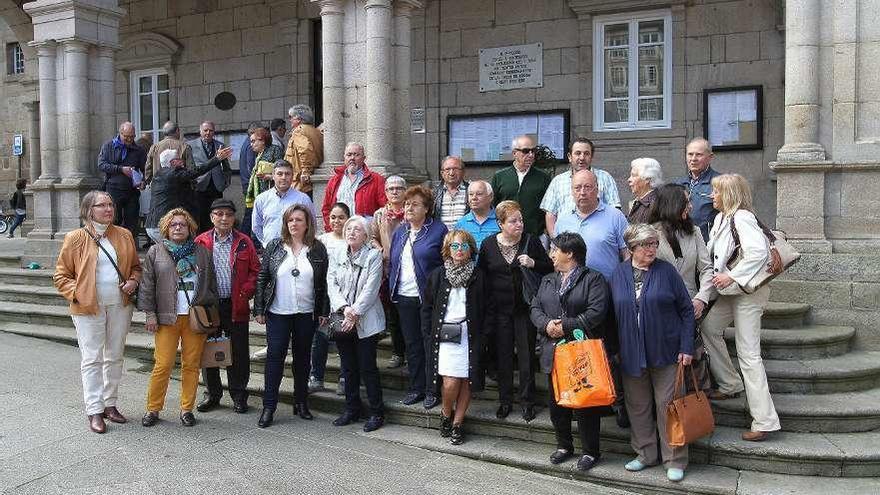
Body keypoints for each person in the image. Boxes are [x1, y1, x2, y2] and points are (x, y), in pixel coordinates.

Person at [609, 224, 695, 482]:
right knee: (638, 407)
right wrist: (614, 350)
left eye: (654, 244)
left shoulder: (666, 271)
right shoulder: (618, 273)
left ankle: (675, 459)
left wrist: (686, 347)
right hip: (631, 354)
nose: (652, 249)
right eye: (646, 244)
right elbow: (611, 315)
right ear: (632, 248)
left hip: (667, 352)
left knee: (669, 407)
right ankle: (646, 454)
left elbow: (687, 311)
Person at [700, 173, 781, 442]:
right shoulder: (723, 218)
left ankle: (765, 421)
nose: (712, 196)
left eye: (716, 192)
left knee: (749, 354)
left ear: (729, 194)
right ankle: (731, 382)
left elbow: (758, 252)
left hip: (748, 291)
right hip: (731, 290)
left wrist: (732, 277)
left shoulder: (742, 217)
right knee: (710, 329)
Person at [53, 191, 141, 433]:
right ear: (89, 210)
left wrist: (133, 281)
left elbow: (135, 267)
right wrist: (78, 293)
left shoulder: (124, 235)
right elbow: (61, 276)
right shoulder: (75, 238)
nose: (108, 209)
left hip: (119, 304)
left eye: (111, 204)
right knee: (92, 358)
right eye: (102, 205)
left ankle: (110, 405)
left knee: (115, 355)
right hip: (87, 306)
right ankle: (94, 409)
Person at [530, 232, 610, 471]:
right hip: (553, 351)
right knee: (557, 404)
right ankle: (564, 445)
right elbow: (535, 306)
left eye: (555, 250)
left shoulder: (593, 279)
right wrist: (546, 325)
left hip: (580, 351)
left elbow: (596, 313)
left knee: (585, 403)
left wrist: (563, 326)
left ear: (570, 253)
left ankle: (590, 451)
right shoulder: (548, 279)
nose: (551, 254)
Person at [139, 208, 218, 428]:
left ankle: (186, 409)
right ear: (166, 227)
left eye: (182, 224)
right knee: (162, 365)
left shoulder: (202, 252)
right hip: (166, 318)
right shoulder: (156, 252)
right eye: (173, 224)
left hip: (195, 318)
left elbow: (211, 285)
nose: (178, 228)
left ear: (190, 228)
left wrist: (210, 312)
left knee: (191, 365)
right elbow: (147, 286)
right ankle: (153, 408)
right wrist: (150, 314)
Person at [253, 204, 330, 428]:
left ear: (307, 224)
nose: (294, 224)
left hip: (306, 313)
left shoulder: (317, 249)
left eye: (299, 220)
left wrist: (323, 310)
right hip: (278, 312)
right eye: (290, 220)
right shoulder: (275, 246)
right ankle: (269, 406)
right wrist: (259, 308)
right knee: (275, 358)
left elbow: (323, 283)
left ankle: (301, 402)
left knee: (303, 359)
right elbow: (263, 278)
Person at [478, 200, 553, 421]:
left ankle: (527, 402)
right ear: (500, 223)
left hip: (525, 309)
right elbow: (482, 275)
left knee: (527, 356)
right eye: (513, 221)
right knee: (503, 357)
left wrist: (533, 263)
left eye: (520, 220)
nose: (519, 224)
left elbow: (549, 267)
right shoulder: (489, 244)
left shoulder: (531, 241)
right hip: (499, 311)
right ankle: (505, 401)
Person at [421, 229, 488, 445]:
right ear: (448, 250)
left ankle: (458, 424)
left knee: (467, 381)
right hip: (445, 336)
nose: (459, 250)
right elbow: (427, 308)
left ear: (471, 250)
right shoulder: (438, 275)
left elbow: (488, 309)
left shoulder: (479, 276)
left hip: (470, 336)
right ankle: (445, 413)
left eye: (464, 246)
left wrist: (485, 335)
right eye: (455, 246)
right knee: (450, 383)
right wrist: (429, 333)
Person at [194, 199, 260, 414]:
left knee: (239, 353)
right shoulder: (201, 241)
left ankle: (239, 395)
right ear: (212, 217)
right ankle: (212, 394)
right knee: (209, 350)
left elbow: (255, 271)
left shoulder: (244, 242)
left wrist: (246, 291)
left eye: (228, 214)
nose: (224, 218)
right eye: (219, 214)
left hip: (236, 304)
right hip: (209, 306)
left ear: (234, 217)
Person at [649, 184, 715, 392]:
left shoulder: (694, 231)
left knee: (690, 363)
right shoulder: (650, 234)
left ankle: (691, 412)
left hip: (690, 308)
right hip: (660, 311)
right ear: (672, 204)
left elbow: (706, 268)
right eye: (686, 201)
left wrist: (702, 298)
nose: (691, 206)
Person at [388, 185, 448, 409]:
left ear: (426, 209)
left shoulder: (438, 230)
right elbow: (393, 261)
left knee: (429, 344)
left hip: (428, 299)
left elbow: (444, 264)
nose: (408, 208)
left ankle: (433, 390)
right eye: (406, 204)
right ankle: (416, 388)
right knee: (412, 345)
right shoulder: (400, 231)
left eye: (414, 204)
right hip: (404, 297)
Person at [327, 215, 386, 432]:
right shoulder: (337, 254)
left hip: (366, 319)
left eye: (357, 229)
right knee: (348, 367)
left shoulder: (373, 256)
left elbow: (371, 290)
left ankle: (377, 412)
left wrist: (355, 313)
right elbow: (331, 283)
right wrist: (344, 309)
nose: (351, 232)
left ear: (366, 234)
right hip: (343, 318)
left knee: (367, 367)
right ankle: (352, 408)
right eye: (349, 228)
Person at [555, 170, 629, 280]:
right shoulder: (562, 219)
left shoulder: (616, 217)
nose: (582, 192)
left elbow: (627, 255)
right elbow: (555, 257)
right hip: (571, 292)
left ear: (597, 189)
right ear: (572, 191)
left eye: (588, 187)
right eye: (577, 188)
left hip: (608, 288)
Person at [310, 201, 351, 393]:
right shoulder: (321, 241)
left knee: (344, 338)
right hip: (324, 299)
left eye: (341, 217)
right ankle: (316, 376)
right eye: (333, 217)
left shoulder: (352, 238)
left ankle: (345, 377)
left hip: (345, 299)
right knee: (320, 338)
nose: (336, 221)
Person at [145, 145, 223, 245]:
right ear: (172, 163)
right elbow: (196, 171)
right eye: (178, 159)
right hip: (162, 225)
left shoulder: (159, 174)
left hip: (151, 225)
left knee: (168, 254)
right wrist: (216, 159)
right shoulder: (173, 174)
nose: (182, 161)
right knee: (175, 255)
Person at [543, 138, 622, 235]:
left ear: (591, 157)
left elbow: (615, 210)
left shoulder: (605, 178)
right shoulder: (557, 181)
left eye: (586, 153)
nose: (582, 157)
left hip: (597, 237)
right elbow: (550, 214)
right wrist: (555, 240)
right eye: (578, 153)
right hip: (566, 242)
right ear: (569, 156)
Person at [371, 175, 407, 369]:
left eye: (398, 188)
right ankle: (397, 352)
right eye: (390, 189)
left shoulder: (411, 213)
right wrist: (381, 251)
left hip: (409, 269)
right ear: (385, 193)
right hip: (389, 269)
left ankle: (411, 351)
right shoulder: (379, 215)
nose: (394, 192)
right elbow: (372, 238)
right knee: (393, 314)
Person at [490, 135, 552, 238]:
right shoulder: (500, 177)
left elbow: (548, 209)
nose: (531, 155)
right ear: (514, 153)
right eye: (526, 151)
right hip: (506, 236)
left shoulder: (543, 177)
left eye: (533, 151)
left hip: (535, 236)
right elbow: (494, 206)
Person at [321, 142, 386, 229]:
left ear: (364, 158)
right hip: (340, 233)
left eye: (356, 155)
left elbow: (384, 208)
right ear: (344, 157)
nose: (352, 158)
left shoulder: (376, 180)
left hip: (364, 233)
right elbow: (326, 209)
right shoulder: (334, 181)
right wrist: (330, 231)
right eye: (349, 155)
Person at [97, 122, 146, 235]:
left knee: (132, 222)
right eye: (126, 136)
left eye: (132, 137)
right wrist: (120, 169)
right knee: (114, 220)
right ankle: (113, 247)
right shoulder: (108, 146)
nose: (129, 139)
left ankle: (130, 247)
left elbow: (145, 169)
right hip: (113, 189)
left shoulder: (139, 150)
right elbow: (101, 165)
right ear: (120, 133)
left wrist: (144, 181)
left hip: (132, 191)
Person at [252, 160, 316, 247]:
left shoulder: (303, 199)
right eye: (279, 174)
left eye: (287, 174)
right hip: (271, 250)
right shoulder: (261, 199)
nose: (283, 177)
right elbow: (256, 226)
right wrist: (267, 243)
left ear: (292, 176)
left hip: (296, 249)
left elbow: (312, 224)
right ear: (273, 176)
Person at [674, 138, 721, 241]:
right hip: (682, 244)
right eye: (690, 154)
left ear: (710, 157)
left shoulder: (720, 183)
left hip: (708, 246)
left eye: (699, 155)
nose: (693, 159)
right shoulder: (678, 184)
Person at [189, 121, 233, 231]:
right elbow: (190, 167)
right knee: (201, 217)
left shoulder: (220, 145)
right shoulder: (190, 146)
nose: (208, 133)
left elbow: (226, 167)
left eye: (211, 130)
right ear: (200, 131)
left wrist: (226, 181)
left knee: (216, 216)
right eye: (205, 130)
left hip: (216, 186)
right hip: (200, 186)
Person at [285, 104, 324, 195]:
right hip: (308, 180)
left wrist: (306, 171)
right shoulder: (315, 131)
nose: (290, 120)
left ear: (299, 119)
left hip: (300, 182)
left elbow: (305, 150)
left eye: (291, 117)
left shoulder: (298, 130)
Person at [244, 127, 285, 212]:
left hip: (274, 194)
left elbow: (282, 171)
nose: (251, 144)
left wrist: (269, 176)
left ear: (262, 140)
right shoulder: (259, 154)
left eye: (253, 141)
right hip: (262, 195)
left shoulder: (275, 149)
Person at [144, 121, 194, 186]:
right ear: (177, 131)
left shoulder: (154, 147)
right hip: (179, 188)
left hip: (159, 188)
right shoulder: (185, 147)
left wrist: (151, 184)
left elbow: (148, 169)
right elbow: (191, 170)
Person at [455, 180, 500, 249]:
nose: (474, 198)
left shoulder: (501, 220)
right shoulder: (461, 223)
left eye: (479, 194)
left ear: (490, 197)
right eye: (471, 194)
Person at [239, 122, 264, 241]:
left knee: (250, 213)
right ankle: (245, 239)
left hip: (247, 182)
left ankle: (244, 238)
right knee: (251, 214)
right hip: (249, 184)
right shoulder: (250, 144)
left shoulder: (246, 142)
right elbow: (250, 166)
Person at [433, 156, 470, 228]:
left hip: (465, 236)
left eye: (455, 169)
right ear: (442, 173)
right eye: (447, 169)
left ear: (463, 172)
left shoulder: (471, 191)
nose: (451, 173)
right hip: (442, 237)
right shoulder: (434, 193)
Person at [626, 157, 664, 224]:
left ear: (647, 179)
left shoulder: (655, 205)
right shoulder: (640, 202)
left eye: (634, 175)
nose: (629, 179)